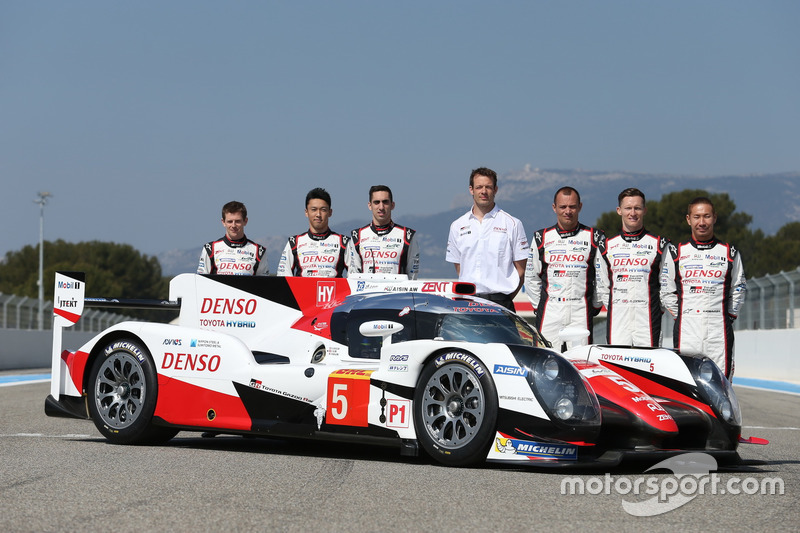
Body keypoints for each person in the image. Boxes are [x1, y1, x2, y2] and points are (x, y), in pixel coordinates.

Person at [661, 197, 746, 379]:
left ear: (714, 218)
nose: (702, 222)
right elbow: (667, 290)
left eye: (706, 216)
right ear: (688, 219)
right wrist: (683, 315)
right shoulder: (675, 252)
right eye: (697, 216)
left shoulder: (730, 253)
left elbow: (739, 287)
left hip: (719, 329)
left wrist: (727, 316)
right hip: (687, 329)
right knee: (686, 381)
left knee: (721, 383)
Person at [525, 186, 605, 349]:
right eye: (563, 207)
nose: (567, 211)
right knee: (545, 359)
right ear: (554, 208)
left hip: (580, 311)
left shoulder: (595, 237)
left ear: (580, 207)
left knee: (580, 361)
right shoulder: (541, 238)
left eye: (572, 206)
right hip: (551, 310)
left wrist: (594, 306)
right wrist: (539, 305)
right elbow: (531, 277)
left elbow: (602, 278)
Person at [446, 167, 529, 311]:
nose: (483, 191)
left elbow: (521, 271)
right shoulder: (457, 226)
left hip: (500, 302)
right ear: (471, 190)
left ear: (495, 190)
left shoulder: (512, 224)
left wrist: (505, 299)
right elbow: (460, 268)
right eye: (479, 187)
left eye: (488, 187)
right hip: (467, 302)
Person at [596, 188, 670, 346]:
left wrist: (656, 310)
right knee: (616, 367)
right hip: (618, 320)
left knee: (649, 368)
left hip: (648, 320)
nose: (633, 213)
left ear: (644, 210)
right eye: (628, 208)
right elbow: (602, 286)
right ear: (619, 211)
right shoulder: (606, 246)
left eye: (637, 208)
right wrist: (617, 307)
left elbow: (667, 286)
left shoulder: (660, 244)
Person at [348, 185, 419, 279]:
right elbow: (353, 276)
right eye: (376, 202)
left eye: (385, 202)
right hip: (367, 293)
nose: (381, 207)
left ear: (392, 205)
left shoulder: (408, 236)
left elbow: (412, 277)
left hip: (397, 293)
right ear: (370, 205)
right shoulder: (357, 236)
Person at [276, 188, 350, 277]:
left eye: (323, 209)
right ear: (306, 212)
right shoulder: (294, 243)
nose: (318, 214)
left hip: (335, 291)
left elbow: (354, 277)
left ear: (330, 212)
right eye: (314, 209)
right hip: (301, 290)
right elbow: (283, 277)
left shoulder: (344, 242)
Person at [197, 200, 269, 275]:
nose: (233, 225)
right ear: (223, 222)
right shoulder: (210, 249)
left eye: (237, 221)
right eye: (230, 221)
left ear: (245, 221)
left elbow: (263, 283)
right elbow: (201, 281)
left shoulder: (259, 251)